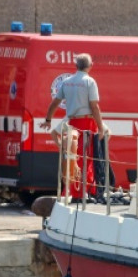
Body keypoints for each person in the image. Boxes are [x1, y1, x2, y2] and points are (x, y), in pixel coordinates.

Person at [41, 54, 104, 201]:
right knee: (85, 159)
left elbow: (55, 103)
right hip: (86, 124)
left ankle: (73, 190)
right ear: (90, 66)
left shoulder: (67, 82)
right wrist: (100, 127)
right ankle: (81, 193)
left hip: (72, 124)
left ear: (76, 66)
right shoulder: (90, 82)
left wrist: (48, 119)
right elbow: (94, 106)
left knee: (72, 158)